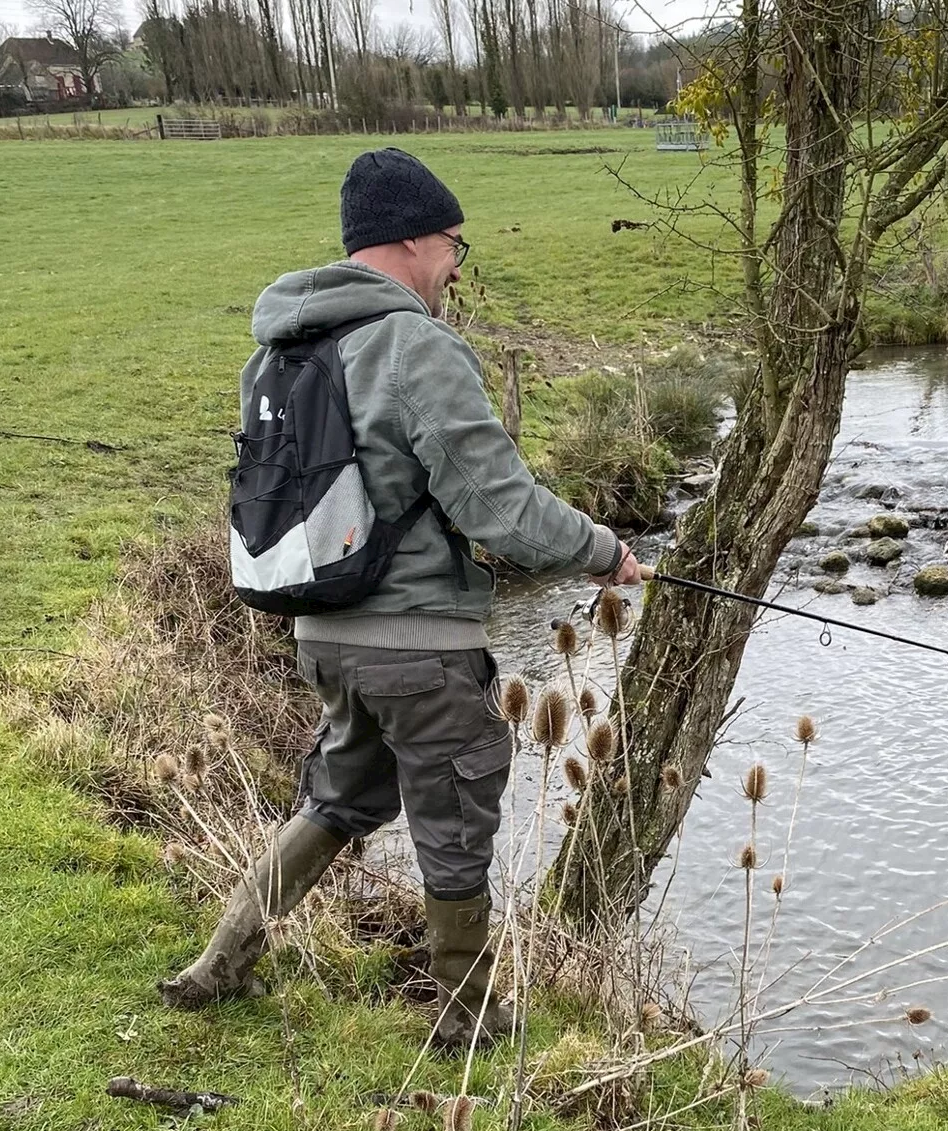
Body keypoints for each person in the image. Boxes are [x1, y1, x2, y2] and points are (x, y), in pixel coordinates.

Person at [160, 148, 640, 1046]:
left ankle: (218, 963)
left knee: (341, 796)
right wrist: (605, 552)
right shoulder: (414, 344)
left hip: (323, 633)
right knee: (456, 816)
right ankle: (468, 1022)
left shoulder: (282, 346)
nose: (458, 269)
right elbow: (501, 510)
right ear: (416, 240)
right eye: (456, 247)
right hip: (418, 643)